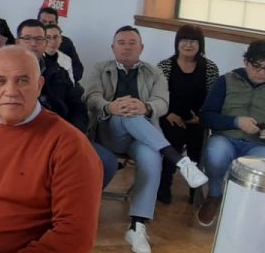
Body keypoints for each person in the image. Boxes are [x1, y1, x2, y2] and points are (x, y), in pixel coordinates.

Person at [0, 47, 102, 253]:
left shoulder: (70, 145)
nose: (10, 91)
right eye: (0, 81)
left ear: (39, 86)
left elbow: (74, 235)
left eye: (22, 81)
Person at [82, 26, 208, 252]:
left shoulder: (154, 72)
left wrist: (146, 107)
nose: (127, 47)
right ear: (113, 47)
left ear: (141, 48)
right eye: (121, 42)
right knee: (127, 112)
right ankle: (181, 161)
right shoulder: (100, 68)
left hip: (143, 137)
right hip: (110, 132)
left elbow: (162, 102)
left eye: (132, 43)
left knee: (151, 156)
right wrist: (109, 106)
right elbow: (91, 96)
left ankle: (137, 226)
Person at [196, 39, 265, 227]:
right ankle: (214, 195)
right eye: (256, 66)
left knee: (259, 169)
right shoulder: (227, 80)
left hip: (258, 144)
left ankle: (242, 208)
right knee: (216, 154)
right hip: (225, 138)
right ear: (246, 62)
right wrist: (236, 122)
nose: (261, 73)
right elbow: (206, 116)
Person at [155, 24, 219, 205]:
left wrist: (200, 117)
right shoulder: (165, 66)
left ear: (200, 45)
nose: (188, 45)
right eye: (184, 40)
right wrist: (168, 114)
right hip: (169, 117)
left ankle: (195, 192)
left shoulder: (210, 67)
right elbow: (157, 96)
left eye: (193, 41)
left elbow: (213, 98)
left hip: (198, 119)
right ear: (177, 42)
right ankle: (163, 188)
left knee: (197, 141)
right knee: (172, 138)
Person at [37, 6, 83, 82]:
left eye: (51, 22)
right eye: (43, 22)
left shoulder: (66, 42)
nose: (47, 25)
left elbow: (78, 69)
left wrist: (63, 81)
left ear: (57, 24)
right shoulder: (30, 42)